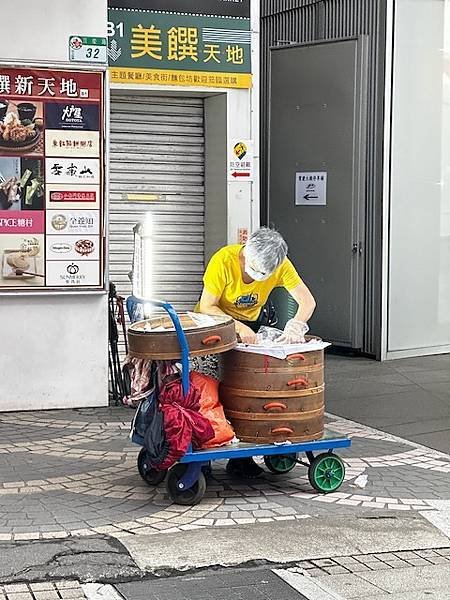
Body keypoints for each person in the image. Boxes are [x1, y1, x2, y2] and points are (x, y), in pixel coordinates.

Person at [197, 227, 316, 477]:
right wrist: (236, 326)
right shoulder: (223, 260)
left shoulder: (281, 264)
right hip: (213, 326)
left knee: (247, 392)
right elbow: (208, 306)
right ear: (246, 252)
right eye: (255, 268)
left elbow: (307, 301)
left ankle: (242, 457)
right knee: (208, 389)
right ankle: (202, 457)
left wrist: (295, 327)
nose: (259, 275)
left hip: (250, 328)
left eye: (265, 273)